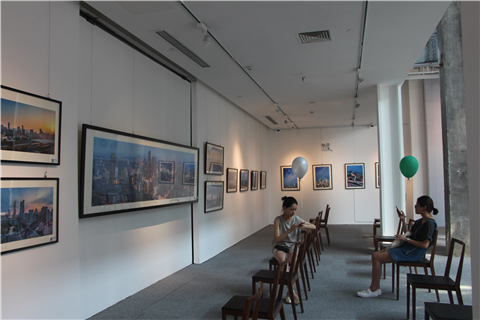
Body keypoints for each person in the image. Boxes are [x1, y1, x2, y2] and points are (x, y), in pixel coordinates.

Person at [357, 195, 438, 298]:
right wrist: (403, 220)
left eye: (416, 205)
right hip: (407, 248)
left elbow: (424, 244)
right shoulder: (419, 221)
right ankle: (375, 287)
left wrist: (406, 240)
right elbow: (408, 233)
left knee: (376, 257)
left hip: (413, 253)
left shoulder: (430, 224)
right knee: (375, 255)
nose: (415, 207)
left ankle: (374, 289)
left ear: (424, 208)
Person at [273, 196, 316, 304]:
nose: (293, 212)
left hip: (292, 246)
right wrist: (290, 230)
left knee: (295, 264)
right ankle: (291, 291)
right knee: (284, 264)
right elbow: (277, 239)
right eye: (291, 209)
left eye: (295, 209)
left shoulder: (296, 218)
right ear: (284, 208)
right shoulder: (278, 220)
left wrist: (303, 225)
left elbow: (314, 227)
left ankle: (289, 292)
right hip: (280, 246)